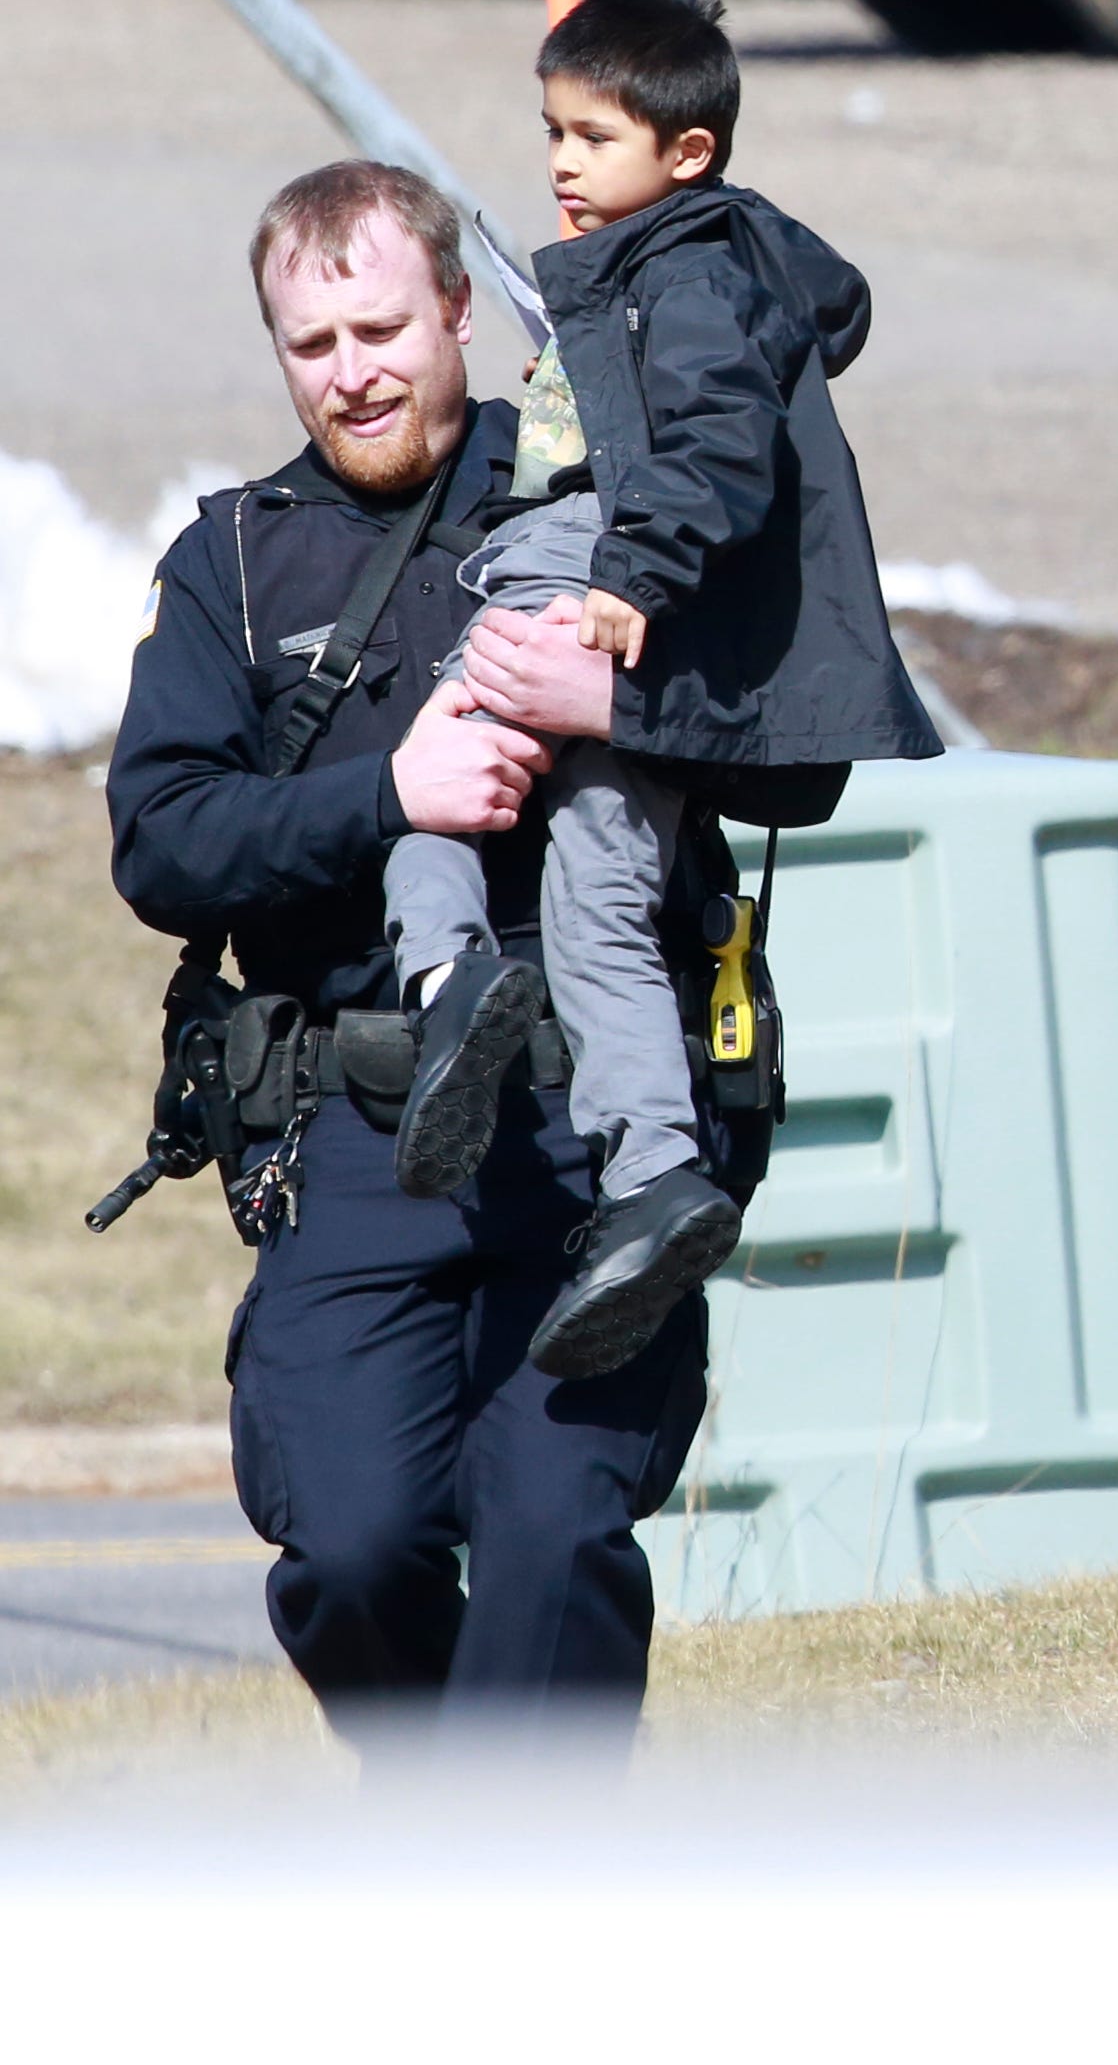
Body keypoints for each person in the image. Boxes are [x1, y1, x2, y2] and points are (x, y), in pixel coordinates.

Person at [109, 160, 742, 1739]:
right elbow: (163, 839)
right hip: (359, 1122)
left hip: (584, 1121)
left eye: (383, 327)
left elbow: (805, 738)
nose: (355, 372)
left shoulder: (608, 503)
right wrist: (380, 796)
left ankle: (522, 1897)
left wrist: (612, 701)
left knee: (548, 1532)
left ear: (461, 310)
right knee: (352, 1549)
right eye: (312, 345)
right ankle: (452, 1842)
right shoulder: (236, 563)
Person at [381, 0, 938, 1383]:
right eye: (550, 131)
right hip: (659, 632)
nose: (560, 163)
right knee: (598, 883)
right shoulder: (681, 267)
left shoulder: (684, 274)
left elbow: (716, 449)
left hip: (604, 583)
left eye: (591, 137)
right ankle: (654, 1174)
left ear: (686, 156)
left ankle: (448, 980)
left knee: (442, 756)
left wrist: (628, 570)